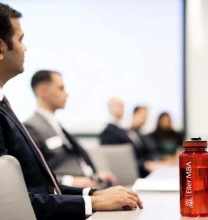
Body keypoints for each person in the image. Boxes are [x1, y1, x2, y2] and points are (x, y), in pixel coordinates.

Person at [0, 3, 142, 220]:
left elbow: (41, 187)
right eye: (20, 40)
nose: (25, 48)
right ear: (1, 48)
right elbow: (10, 203)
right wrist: (91, 201)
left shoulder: (5, 108)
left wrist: (94, 194)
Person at [24, 70, 117, 188]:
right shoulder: (31, 127)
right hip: (70, 193)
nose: (66, 94)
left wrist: (95, 176)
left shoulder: (56, 125)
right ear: (43, 90)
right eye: (61, 88)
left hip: (90, 185)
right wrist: (71, 181)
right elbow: (35, 176)